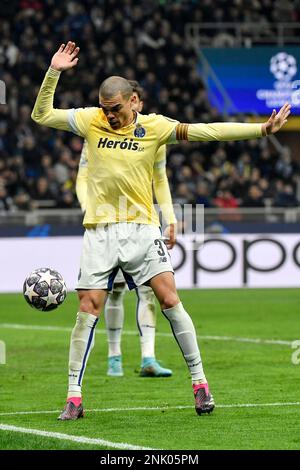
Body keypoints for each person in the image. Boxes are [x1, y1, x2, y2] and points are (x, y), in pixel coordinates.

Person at [31, 42, 290, 420]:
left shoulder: (155, 127)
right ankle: (74, 395)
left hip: (140, 230)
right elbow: (41, 115)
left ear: (133, 101)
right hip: (99, 231)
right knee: (87, 309)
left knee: (169, 299)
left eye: (116, 108)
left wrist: (261, 130)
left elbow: (208, 131)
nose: (110, 116)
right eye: (105, 109)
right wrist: (53, 71)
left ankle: (200, 383)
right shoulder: (90, 120)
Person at [76, 80, 175, 378]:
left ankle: (148, 358)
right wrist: (89, 207)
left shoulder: (153, 137)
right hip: (106, 224)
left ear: (137, 103)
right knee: (114, 294)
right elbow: (81, 177)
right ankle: (114, 356)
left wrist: (169, 218)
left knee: (149, 292)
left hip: (139, 224)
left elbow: (160, 179)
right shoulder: (96, 134)